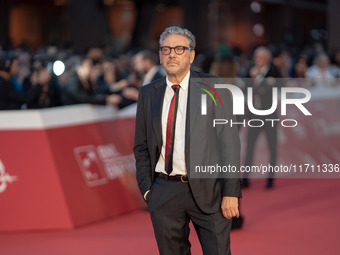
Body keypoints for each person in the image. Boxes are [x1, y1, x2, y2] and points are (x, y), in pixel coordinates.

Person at [134, 26, 241, 255]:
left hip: (209, 190)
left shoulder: (214, 87)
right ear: (160, 56)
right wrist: (147, 190)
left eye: (179, 49)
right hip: (163, 191)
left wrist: (231, 192)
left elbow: (229, 144)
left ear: (191, 55)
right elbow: (141, 146)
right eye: (166, 49)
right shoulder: (148, 93)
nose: (172, 54)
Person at [243, 46, 281, 189]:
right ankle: (245, 178)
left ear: (267, 58)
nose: (258, 60)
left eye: (261, 57)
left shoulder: (274, 71)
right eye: (256, 57)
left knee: (272, 146)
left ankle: (270, 179)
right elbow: (245, 88)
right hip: (254, 115)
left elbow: (273, 89)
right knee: (250, 146)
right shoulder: (250, 70)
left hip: (270, 115)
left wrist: (258, 80)